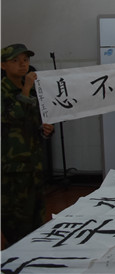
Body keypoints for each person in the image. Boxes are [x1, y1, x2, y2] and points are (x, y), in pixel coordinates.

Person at [1, 44, 55, 246]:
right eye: (15, 61)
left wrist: (46, 129)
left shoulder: (31, 91)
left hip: (33, 164)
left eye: (25, 60)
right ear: (3, 65)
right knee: (16, 219)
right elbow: (11, 117)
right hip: (12, 168)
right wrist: (25, 89)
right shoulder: (6, 91)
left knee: (36, 216)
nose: (22, 64)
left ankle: (33, 253)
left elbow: (35, 122)